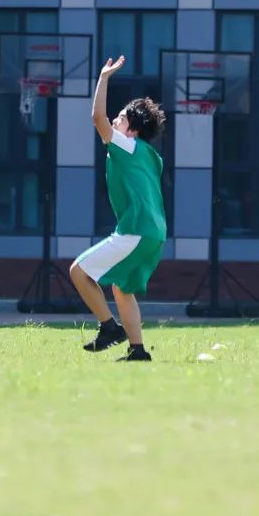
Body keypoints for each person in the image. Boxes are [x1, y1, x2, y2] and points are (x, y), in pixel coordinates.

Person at [70, 56, 167, 362]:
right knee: (123, 288)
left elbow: (97, 117)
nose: (115, 119)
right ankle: (138, 351)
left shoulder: (126, 145)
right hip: (155, 233)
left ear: (133, 130)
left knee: (79, 272)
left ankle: (109, 327)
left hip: (136, 229)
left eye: (122, 117)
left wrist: (104, 77)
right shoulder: (150, 155)